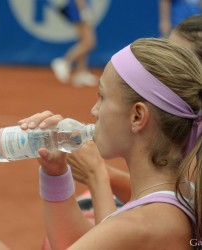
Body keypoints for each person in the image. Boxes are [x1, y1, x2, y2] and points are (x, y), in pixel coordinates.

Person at [19, 37, 202, 249]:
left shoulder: (137, 226)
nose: (94, 110)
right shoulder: (185, 195)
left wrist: (96, 175)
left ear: (137, 116)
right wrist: (55, 173)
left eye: (102, 96)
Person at [66, 13, 202, 225]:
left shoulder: (148, 221)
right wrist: (56, 179)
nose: (165, 58)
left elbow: (126, 231)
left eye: (177, 54)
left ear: (138, 115)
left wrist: (97, 177)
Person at [51, 0, 98, 87]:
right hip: (78, 7)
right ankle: (64, 61)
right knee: (89, 43)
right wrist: (82, 10)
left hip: (79, 7)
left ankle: (81, 72)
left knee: (83, 41)